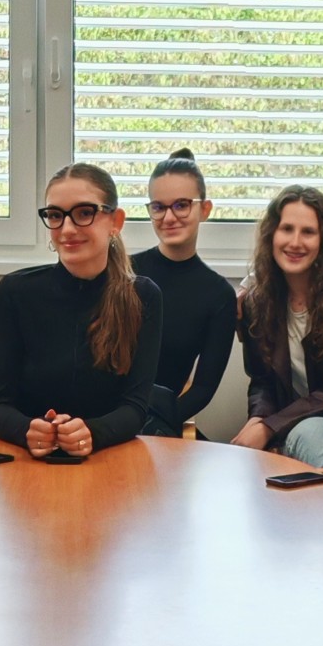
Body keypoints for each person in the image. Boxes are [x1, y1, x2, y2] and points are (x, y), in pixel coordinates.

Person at [0, 166, 162, 458]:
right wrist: (26, 430)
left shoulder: (143, 296)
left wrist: (92, 433)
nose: (67, 229)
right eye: (55, 215)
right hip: (28, 457)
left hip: (106, 457)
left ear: (115, 221)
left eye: (84, 213)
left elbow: (135, 408)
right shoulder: (13, 292)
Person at [235, 186, 323, 469]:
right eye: (287, 229)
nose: (295, 242)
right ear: (272, 235)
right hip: (284, 423)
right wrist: (257, 420)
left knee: (311, 433)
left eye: (308, 232)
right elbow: (262, 381)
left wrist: (268, 428)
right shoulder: (257, 301)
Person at [128, 150, 237, 437]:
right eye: (158, 207)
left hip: (159, 424)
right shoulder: (123, 272)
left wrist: (159, 422)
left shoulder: (218, 295)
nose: (169, 217)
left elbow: (203, 388)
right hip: (98, 417)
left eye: (181, 205)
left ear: (205, 209)